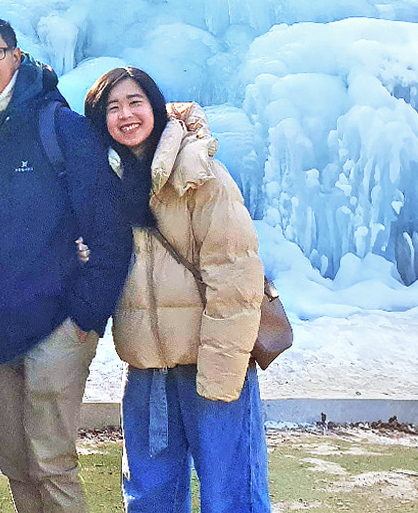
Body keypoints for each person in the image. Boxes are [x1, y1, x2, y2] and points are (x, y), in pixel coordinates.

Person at [0, 16, 131, 513]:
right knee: (13, 460)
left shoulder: (58, 125)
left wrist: (84, 317)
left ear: (16, 55)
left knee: (51, 461)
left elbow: (109, 231)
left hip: (57, 325)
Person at [82, 66, 272, 513]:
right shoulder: (109, 181)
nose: (125, 115)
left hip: (211, 365)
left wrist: (222, 374)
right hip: (148, 371)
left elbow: (236, 279)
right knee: (150, 498)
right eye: (113, 107)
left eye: (135, 103)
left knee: (231, 497)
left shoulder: (201, 175)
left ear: (155, 106)